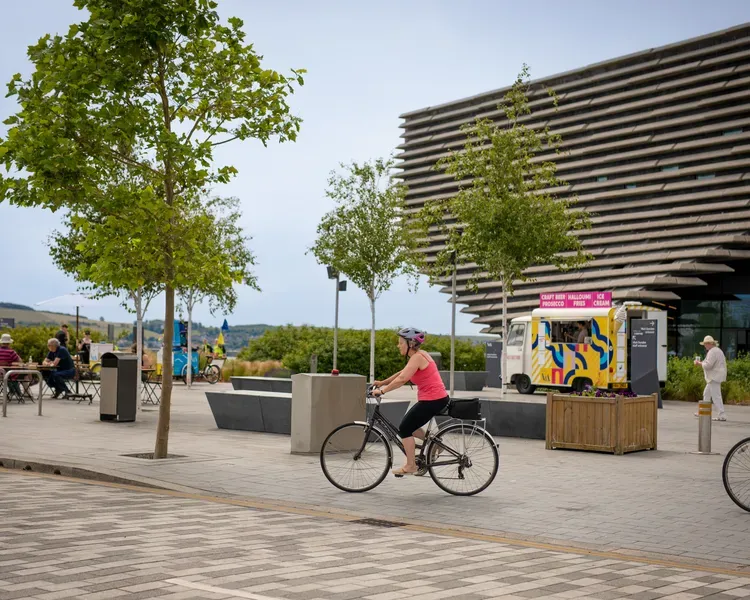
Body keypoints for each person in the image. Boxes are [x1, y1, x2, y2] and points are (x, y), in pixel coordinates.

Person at [372, 327, 449, 476]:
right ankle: (436, 443)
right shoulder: (420, 355)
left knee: (405, 428)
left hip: (433, 400)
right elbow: (402, 372)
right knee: (410, 426)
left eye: (401, 342)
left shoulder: (418, 357)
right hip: (435, 399)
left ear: (411, 344)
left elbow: (402, 379)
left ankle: (411, 465)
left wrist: (382, 391)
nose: (398, 345)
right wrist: (382, 382)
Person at [694, 335, 727, 421]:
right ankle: (703, 412)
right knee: (706, 393)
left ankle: (722, 415)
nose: (704, 346)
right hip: (716, 376)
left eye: (705, 344)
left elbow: (708, 365)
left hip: (714, 377)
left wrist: (699, 363)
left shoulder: (712, 352)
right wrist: (701, 363)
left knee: (716, 396)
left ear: (709, 344)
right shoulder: (718, 350)